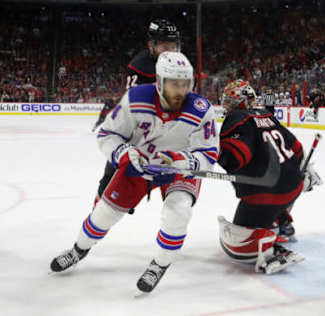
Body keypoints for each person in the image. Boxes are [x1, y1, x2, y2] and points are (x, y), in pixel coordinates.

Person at [50, 52, 219, 293]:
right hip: (139, 164)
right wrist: (125, 154)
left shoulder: (202, 110)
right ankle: (79, 249)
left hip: (177, 169)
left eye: (185, 84)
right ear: (159, 82)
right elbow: (107, 135)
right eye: (174, 83)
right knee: (103, 214)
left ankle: (160, 264)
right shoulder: (136, 98)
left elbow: (208, 154)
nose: (180, 90)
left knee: (178, 211)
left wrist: (182, 160)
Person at [216, 79, 321, 274]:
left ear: (242, 101)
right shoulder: (267, 114)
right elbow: (297, 148)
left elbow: (237, 157)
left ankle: (267, 244)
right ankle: (284, 224)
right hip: (294, 186)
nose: (227, 106)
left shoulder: (237, 118)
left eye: (230, 101)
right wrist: (304, 174)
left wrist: (214, 153)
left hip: (266, 194)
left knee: (240, 242)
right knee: (283, 184)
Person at [93, 19, 181, 214]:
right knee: (113, 175)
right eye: (166, 47)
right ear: (152, 45)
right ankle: (98, 211)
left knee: (176, 188)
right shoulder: (141, 66)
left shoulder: (179, 64)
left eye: (174, 47)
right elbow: (135, 108)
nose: (171, 52)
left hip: (166, 132)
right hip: (137, 131)